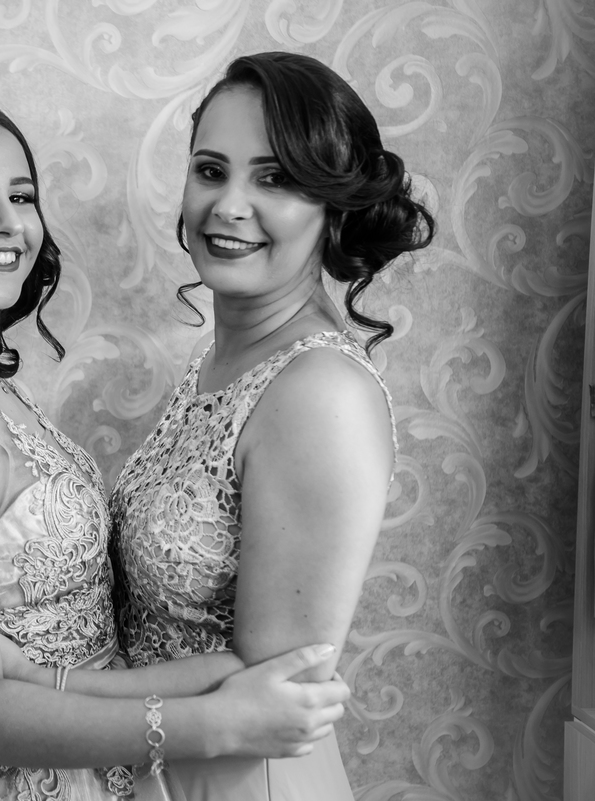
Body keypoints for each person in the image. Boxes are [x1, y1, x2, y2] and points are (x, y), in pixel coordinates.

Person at [0, 73, 353, 801]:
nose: (7, 222)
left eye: (21, 196)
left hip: (80, 757)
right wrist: (211, 722)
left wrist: (70, 681)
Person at [107, 52, 435, 798]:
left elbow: (274, 675)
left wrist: (41, 688)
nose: (229, 205)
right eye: (211, 171)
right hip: (161, 760)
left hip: (237, 780)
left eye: (275, 179)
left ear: (333, 206)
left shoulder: (320, 392)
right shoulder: (220, 362)